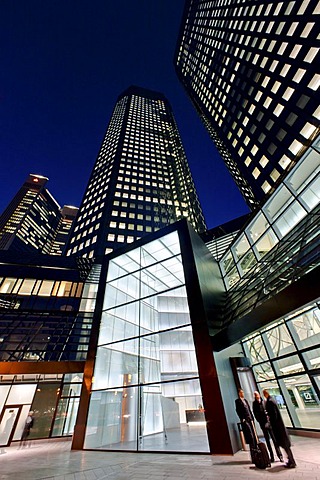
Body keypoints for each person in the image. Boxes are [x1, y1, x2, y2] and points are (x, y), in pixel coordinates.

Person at [263, 389, 296, 468]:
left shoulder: (270, 401)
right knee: (285, 445)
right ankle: (290, 460)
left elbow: (273, 414)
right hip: (279, 426)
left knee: (285, 445)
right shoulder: (272, 400)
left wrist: (270, 420)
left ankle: (292, 461)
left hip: (278, 427)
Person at [252, 391, 283, 462]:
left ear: (259, 395)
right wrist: (259, 420)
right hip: (262, 424)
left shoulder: (264, 401)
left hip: (268, 423)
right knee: (267, 441)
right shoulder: (254, 404)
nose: (256, 396)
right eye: (255, 395)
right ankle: (271, 456)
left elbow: (268, 411)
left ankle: (279, 455)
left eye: (257, 394)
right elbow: (255, 413)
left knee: (274, 440)